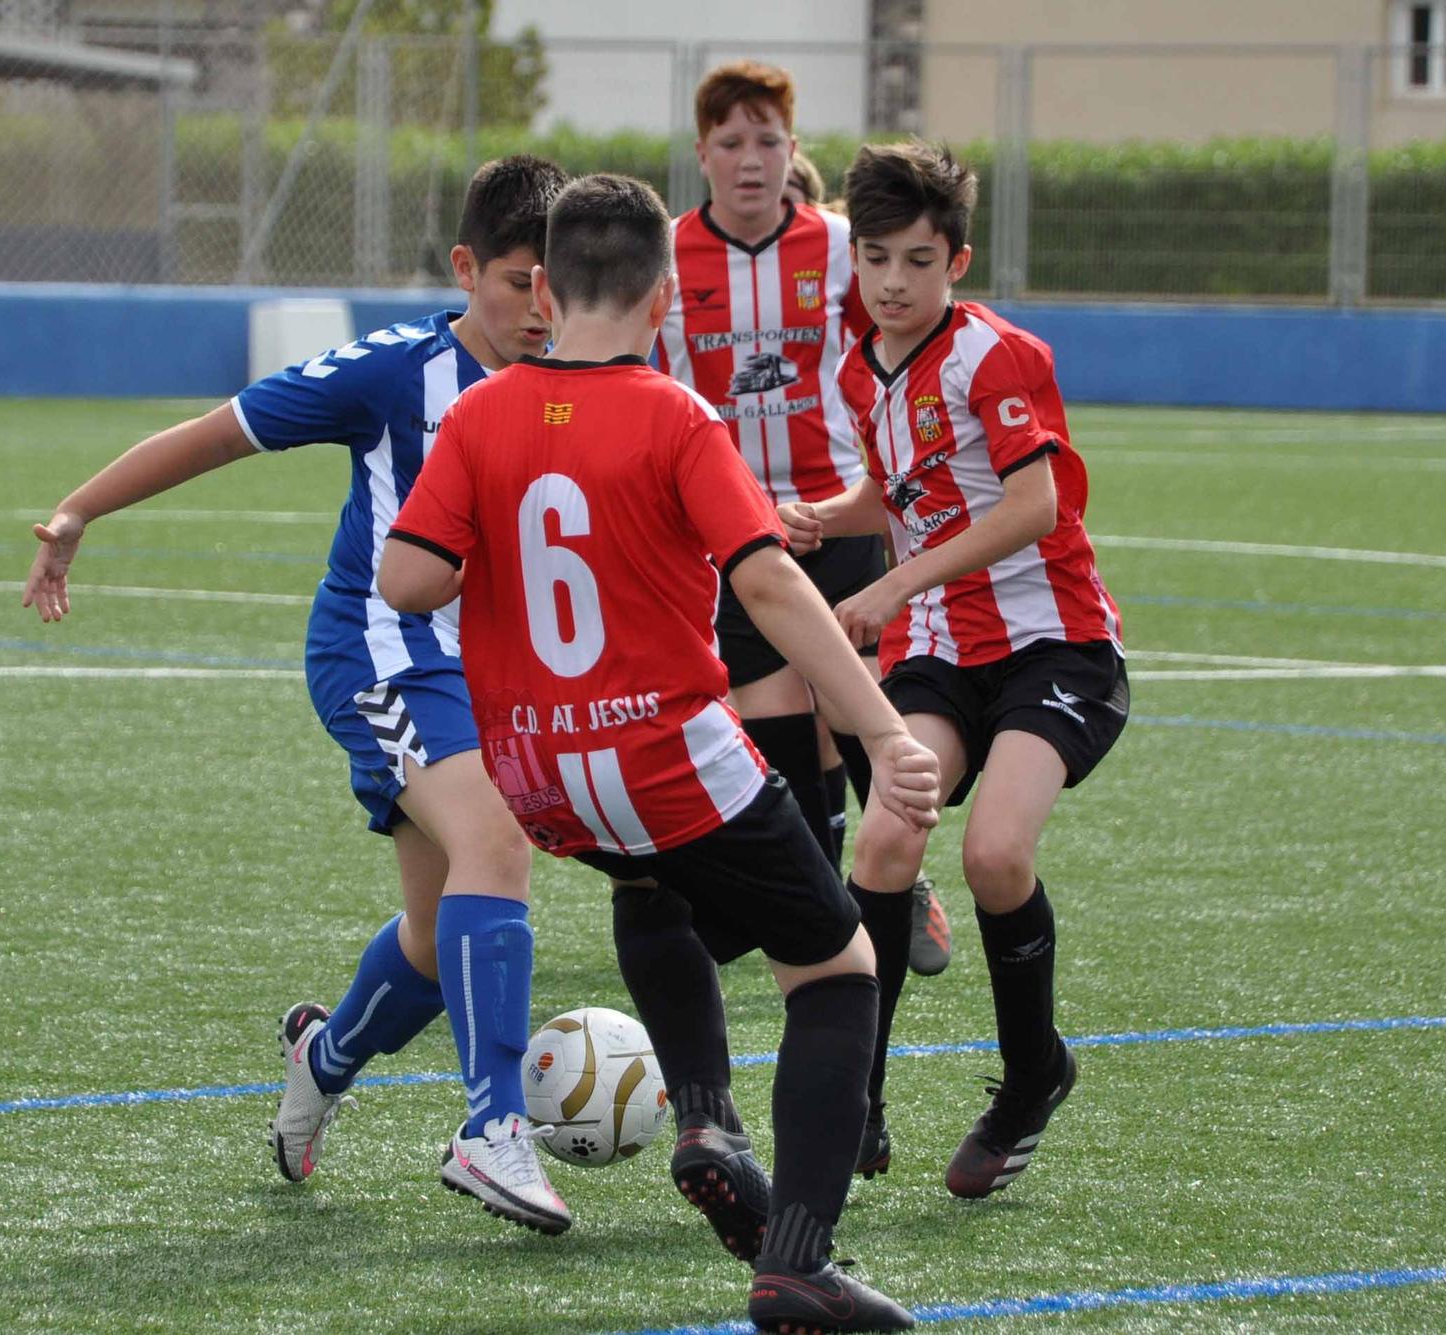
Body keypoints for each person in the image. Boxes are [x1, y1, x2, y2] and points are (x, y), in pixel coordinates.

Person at [379, 173, 934, 1333]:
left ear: (541, 284)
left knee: (645, 879)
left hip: (536, 772)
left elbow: (409, 579)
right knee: (836, 974)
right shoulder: (678, 415)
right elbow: (769, 580)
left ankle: (700, 1117)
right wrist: (880, 735)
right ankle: (799, 1261)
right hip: (663, 750)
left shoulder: (478, 416)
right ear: (664, 294)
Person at [21, 155, 574, 1235]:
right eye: (517, 281)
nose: (541, 308)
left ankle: (322, 1058)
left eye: (560, 282)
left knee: (431, 932)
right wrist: (78, 512)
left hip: (497, 678)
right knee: (496, 845)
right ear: (466, 269)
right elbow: (217, 432)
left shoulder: (588, 377)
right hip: (382, 652)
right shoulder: (391, 372)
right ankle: (491, 1128)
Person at [780, 142, 1129, 1200]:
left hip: (1051, 647)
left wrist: (887, 586)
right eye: (873, 257)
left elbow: (1033, 507)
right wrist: (821, 516)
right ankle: (861, 1099)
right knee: (886, 835)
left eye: (917, 260)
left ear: (957, 262)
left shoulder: (1000, 357)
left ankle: (1032, 1078)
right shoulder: (856, 366)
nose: (891, 282)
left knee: (991, 855)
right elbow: (900, 490)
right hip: (941, 651)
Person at [658, 59, 953, 1038]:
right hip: (728, 543)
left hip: (833, 522)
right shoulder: (665, 259)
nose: (750, 161)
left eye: (768, 142)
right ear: (701, 153)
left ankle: (903, 886)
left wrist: (884, 483)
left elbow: (904, 347)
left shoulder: (837, 248)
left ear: (792, 154)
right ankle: (816, 907)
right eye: (731, 143)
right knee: (778, 734)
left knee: (860, 711)